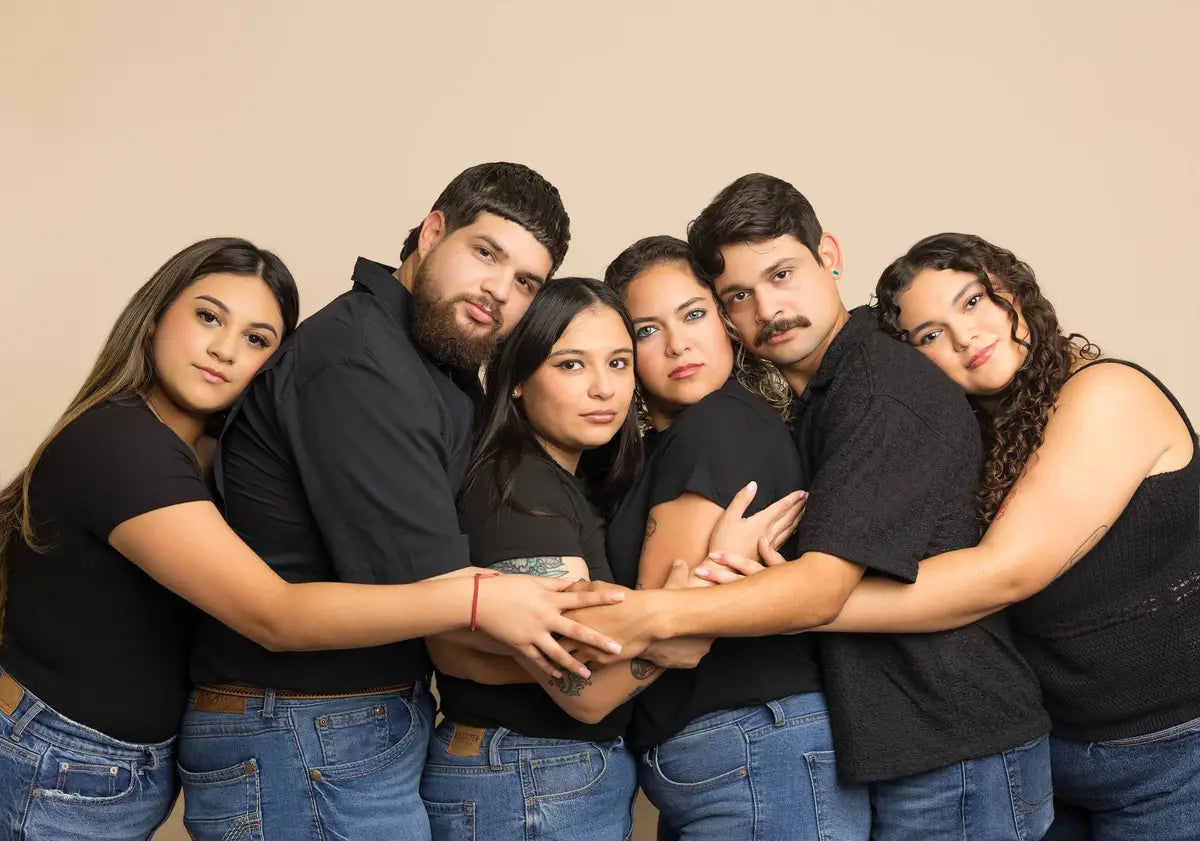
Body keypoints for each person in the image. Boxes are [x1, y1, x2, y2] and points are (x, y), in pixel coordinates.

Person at [0, 236, 618, 841]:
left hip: (116, 766)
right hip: (58, 756)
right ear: (157, 314)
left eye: (257, 340)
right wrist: (482, 599)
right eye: (208, 316)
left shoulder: (199, 453)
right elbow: (274, 613)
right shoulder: (123, 447)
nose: (224, 350)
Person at [570, 176, 1055, 841]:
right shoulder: (815, 400)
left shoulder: (877, 389)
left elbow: (821, 588)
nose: (770, 307)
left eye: (783, 273)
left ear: (829, 253)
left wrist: (656, 612)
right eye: (740, 295)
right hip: (903, 746)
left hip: (955, 747)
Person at [174, 164, 627, 841]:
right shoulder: (359, 364)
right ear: (433, 230)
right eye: (485, 253)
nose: (498, 291)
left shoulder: (433, 364)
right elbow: (440, 596)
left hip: (344, 727)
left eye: (525, 281)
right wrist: (674, 624)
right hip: (301, 729)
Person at [744, 232, 1196, 840]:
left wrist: (792, 602)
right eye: (929, 334)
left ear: (1014, 294)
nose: (964, 336)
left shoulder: (1108, 393)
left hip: (1172, 749)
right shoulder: (984, 433)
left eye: (973, 301)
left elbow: (1003, 572)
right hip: (1061, 745)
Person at [599, 235, 870, 840]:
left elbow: (653, 614)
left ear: (724, 322)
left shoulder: (717, 427)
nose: (677, 344)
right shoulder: (663, 445)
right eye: (647, 330)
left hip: (755, 748)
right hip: (735, 754)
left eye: (693, 315)